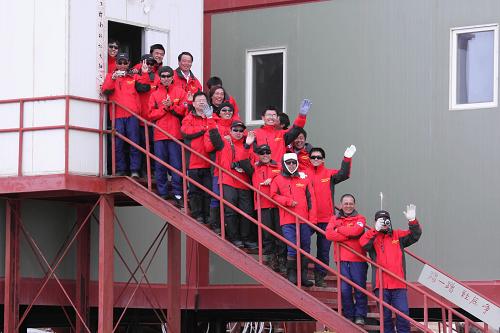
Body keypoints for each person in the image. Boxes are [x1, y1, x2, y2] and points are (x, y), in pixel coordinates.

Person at [360, 205, 422, 333]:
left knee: (403, 315)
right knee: (385, 317)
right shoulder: (373, 237)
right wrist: (375, 230)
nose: (384, 223)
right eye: (380, 220)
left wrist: (412, 221)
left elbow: (415, 235)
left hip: (399, 284)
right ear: (376, 222)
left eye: (386, 220)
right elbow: (363, 243)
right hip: (381, 285)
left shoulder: (397, 235)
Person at [205, 119, 256, 251]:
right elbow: (214, 135)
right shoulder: (224, 143)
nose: (238, 133)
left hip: (244, 183)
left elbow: (250, 166)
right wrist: (210, 118)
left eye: (241, 130)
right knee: (230, 211)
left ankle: (245, 238)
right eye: (235, 130)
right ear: (230, 131)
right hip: (228, 181)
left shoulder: (248, 146)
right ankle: (235, 238)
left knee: (247, 212)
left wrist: (246, 147)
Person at [308, 146, 355, 287]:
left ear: (323, 159)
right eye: (313, 157)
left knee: (323, 251)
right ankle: (302, 274)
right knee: (302, 246)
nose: (316, 159)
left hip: (326, 219)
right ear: (309, 159)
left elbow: (344, 174)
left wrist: (347, 158)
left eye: (318, 157)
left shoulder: (329, 174)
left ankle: (319, 277)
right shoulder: (303, 174)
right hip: (308, 218)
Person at [270, 153, 316, 287]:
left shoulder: (304, 180)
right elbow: (273, 195)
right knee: (292, 248)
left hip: (304, 221)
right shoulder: (278, 179)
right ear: (284, 164)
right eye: (289, 163)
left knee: (305, 248)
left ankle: (303, 276)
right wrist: (287, 202)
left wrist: (312, 221)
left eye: (293, 163)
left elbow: (311, 201)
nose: (291, 165)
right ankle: (292, 274)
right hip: (288, 220)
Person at [101, 53, 150, 177]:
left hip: (132, 115)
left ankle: (134, 170)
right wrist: (113, 77)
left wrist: (144, 73)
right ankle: (120, 169)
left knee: (134, 143)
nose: (122, 65)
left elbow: (144, 88)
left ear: (128, 64)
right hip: (117, 115)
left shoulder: (133, 76)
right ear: (116, 64)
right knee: (118, 144)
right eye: (120, 62)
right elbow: (105, 91)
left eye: (125, 62)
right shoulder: (110, 76)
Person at [149, 66, 189, 206]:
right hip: (160, 135)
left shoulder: (180, 91)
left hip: (175, 135)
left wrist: (171, 105)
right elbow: (150, 115)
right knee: (160, 165)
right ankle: (163, 192)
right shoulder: (154, 94)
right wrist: (165, 108)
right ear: (160, 78)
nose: (166, 78)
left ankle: (178, 193)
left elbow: (185, 112)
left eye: (168, 76)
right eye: (163, 76)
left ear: (173, 77)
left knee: (177, 166)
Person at [244, 140, 286, 273]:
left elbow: (286, 174)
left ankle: (282, 260)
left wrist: (272, 177)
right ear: (258, 155)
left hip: (278, 204)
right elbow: (244, 161)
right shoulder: (255, 167)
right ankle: (271, 259)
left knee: (280, 234)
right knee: (267, 234)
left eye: (267, 152)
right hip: (262, 205)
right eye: (262, 153)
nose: (265, 155)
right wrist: (247, 145)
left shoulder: (279, 166)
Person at [326, 194, 368, 325]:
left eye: (351, 203)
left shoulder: (360, 218)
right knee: (345, 289)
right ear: (341, 204)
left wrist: (339, 230)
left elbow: (356, 231)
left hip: (358, 259)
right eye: (346, 203)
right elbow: (328, 234)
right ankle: (349, 315)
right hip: (341, 259)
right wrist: (348, 236)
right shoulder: (334, 218)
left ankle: (360, 315)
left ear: (354, 205)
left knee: (360, 289)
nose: (348, 206)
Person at [205, 102, 239, 234]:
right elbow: (208, 147)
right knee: (217, 196)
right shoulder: (215, 126)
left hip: (235, 172)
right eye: (224, 110)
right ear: (219, 113)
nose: (227, 112)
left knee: (233, 201)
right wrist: (224, 141)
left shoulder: (237, 128)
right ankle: (215, 224)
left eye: (230, 110)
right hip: (219, 168)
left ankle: (231, 230)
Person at [180, 92, 213, 224]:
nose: (201, 102)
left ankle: (207, 215)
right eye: (198, 100)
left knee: (208, 192)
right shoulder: (188, 118)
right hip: (194, 161)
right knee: (194, 191)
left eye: (203, 100)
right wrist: (203, 128)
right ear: (193, 103)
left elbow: (214, 130)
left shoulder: (211, 117)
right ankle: (198, 214)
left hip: (209, 161)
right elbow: (186, 132)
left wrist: (204, 126)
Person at [137, 54, 160, 177]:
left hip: (153, 119)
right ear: (141, 63)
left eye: (152, 64)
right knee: (140, 146)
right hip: (139, 119)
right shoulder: (136, 75)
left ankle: (151, 171)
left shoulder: (157, 78)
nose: (150, 66)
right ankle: (142, 171)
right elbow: (142, 89)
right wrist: (144, 73)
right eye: (147, 63)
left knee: (153, 147)